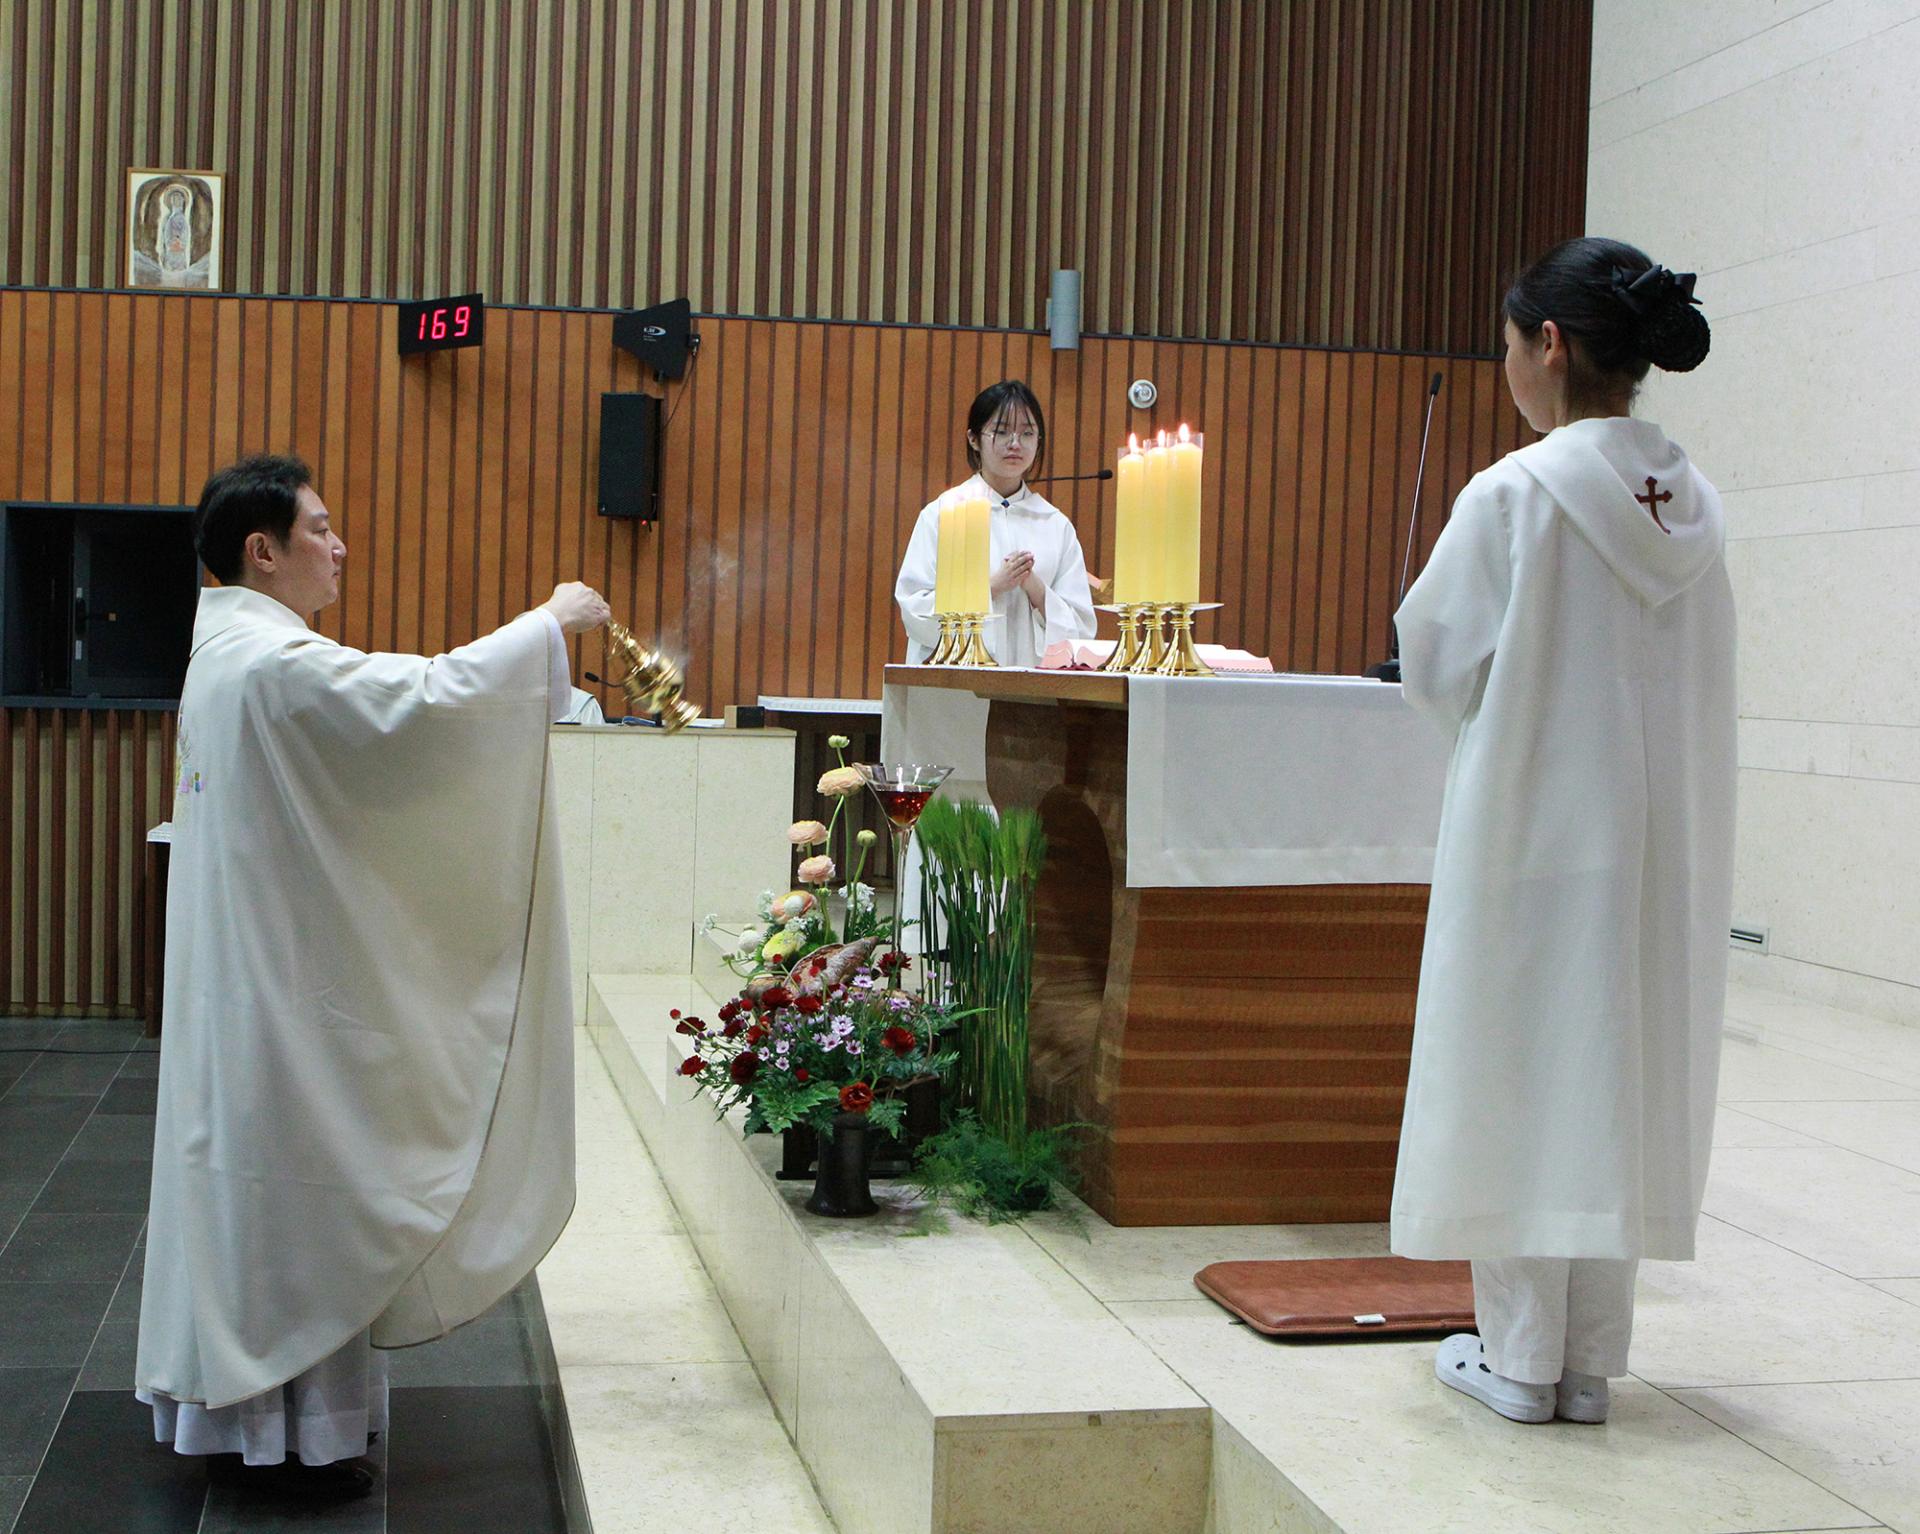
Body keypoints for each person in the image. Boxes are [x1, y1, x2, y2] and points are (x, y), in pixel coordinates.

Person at [136, 454, 609, 1497]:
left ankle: (263, 1426)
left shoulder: (229, 650)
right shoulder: (270, 662)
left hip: (252, 984)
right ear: (262, 552)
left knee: (262, 1200)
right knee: (296, 1200)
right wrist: (548, 623)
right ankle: (284, 1441)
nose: (339, 545)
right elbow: (426, 702)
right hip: (275, 998)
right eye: (319, 528)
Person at [1388, 238, 1735, 1426]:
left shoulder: (1518, 493)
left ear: (1549, 344)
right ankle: (1589, 1361)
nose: (1505, 368)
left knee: (1522, 1069)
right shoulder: (1698, 507)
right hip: (1658, 849)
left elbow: (1433, 662)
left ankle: (1520, 1356)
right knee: (1614, 1073)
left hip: (1536, 834)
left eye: (1506, 344)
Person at [894, 380, 1096, 667]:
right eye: (1001, 432)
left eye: (1027, 433)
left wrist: (1035, 588)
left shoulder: (1054, 524)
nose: (1015, 444)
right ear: (974, 439)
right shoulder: (943, 513)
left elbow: (1081, 628)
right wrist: (990, 588)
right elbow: (914, 608)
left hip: (1030, 682)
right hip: (959, 682)